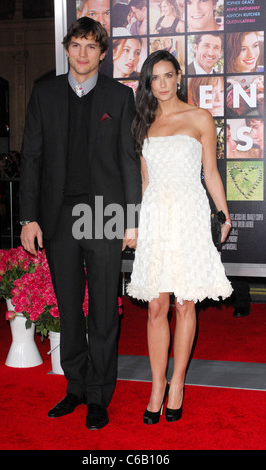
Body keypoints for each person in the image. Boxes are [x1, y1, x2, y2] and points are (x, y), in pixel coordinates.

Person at [19, 17, 141, 430]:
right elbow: (31, 158)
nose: (83, 53)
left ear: (103, 54)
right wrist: (29, 218)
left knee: (104, 310)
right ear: (67, 48)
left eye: (92, 46)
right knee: (70, 309)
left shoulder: (119, 97)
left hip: (105, 215)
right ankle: (74, 386)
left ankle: (98, 395)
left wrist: (131, 220)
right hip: (57, 217)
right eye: (76, 45)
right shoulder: (44, 93)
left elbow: (128, 160)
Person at [127, 50, 232, 424]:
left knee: (185, 304)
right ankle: (157, 385)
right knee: (156, 305)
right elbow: (143, 182)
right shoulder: (143, 122)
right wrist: (135, 225)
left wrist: (223, 212)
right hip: (156, 216)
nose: (163, 84)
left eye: (168, 75)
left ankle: (178, 384)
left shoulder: (200, 117)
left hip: (189, 213)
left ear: (178, 77)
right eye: (155, 79)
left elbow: (211, 173)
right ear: (148, 84)